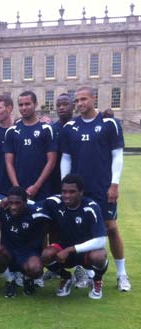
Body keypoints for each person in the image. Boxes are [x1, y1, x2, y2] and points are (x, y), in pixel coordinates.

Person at [60, 86, 131, 291]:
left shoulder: (109, 124)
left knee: (111, 227)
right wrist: (65, 187)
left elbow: (117, 155)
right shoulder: (70, 128)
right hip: (77, 190)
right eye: (77, 101)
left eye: (84, 99)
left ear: (94, 98)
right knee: (81, 229)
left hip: (102, 187)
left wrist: (114, 184)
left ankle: (122, 274)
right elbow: (66, 158)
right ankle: (90, 273)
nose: (80, 104)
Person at [41, 174, 108, 299]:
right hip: (62, 249)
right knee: (45, 255)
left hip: (85, 252)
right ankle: (66, 277)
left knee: (99, 256)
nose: (67, 195)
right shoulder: (54, 202)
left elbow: (101, 240)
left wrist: (71, 249)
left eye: (72, 192)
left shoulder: (91, 207)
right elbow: (31, 206)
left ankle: (97, 280)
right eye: (64, 191)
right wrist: (5, 200)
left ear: (81, 192)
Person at [0, 186, 49, 298]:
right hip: (8, 253)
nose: (13, 207)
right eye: (11, 202)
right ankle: (10, 281)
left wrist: (42, 256)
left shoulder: (37, 213)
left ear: (25, 202)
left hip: (29, 254)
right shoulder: (2, 206)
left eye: (18, 203)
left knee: (36, 268)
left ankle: (28, 280)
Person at [4, 91, 57, 200]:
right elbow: (9, 162)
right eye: (20, 105)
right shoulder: (11, 131)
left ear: (35, 104)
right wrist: (17, 187)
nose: (24, 108)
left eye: (27, 104)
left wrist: (36, 186)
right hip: (19, 189)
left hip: (42, 188)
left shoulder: (46, 129)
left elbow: (51, 161)